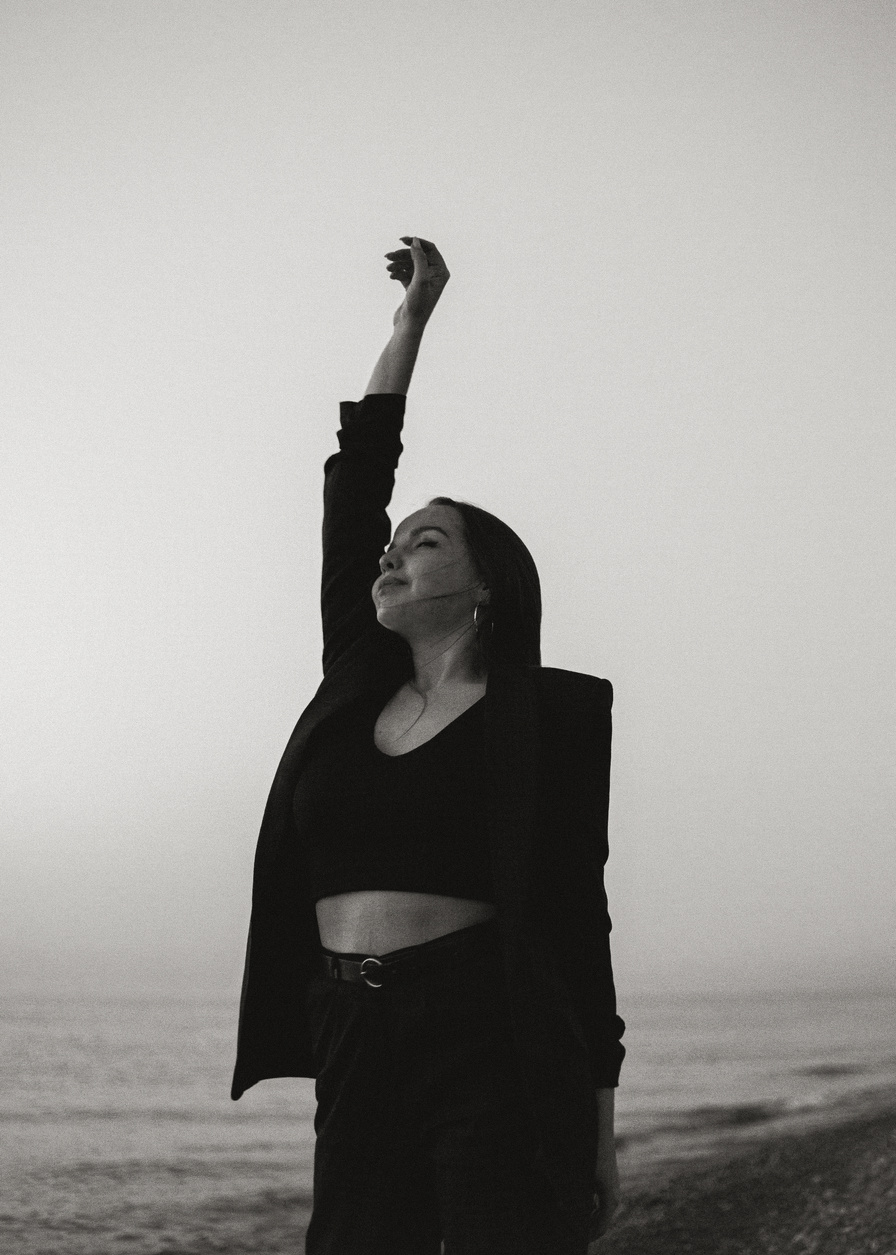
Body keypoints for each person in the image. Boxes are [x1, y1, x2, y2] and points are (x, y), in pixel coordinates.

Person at [231, 236, 626, 1254]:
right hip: (349, 1022)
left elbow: (578, 918)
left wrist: (599, 1126)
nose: (393, 552)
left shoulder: (551, 719)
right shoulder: (354, 680)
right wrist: (406, 326)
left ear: (486, 583)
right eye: (394, 542)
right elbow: (351, 485)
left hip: (484, 1022)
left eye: (426, 541)